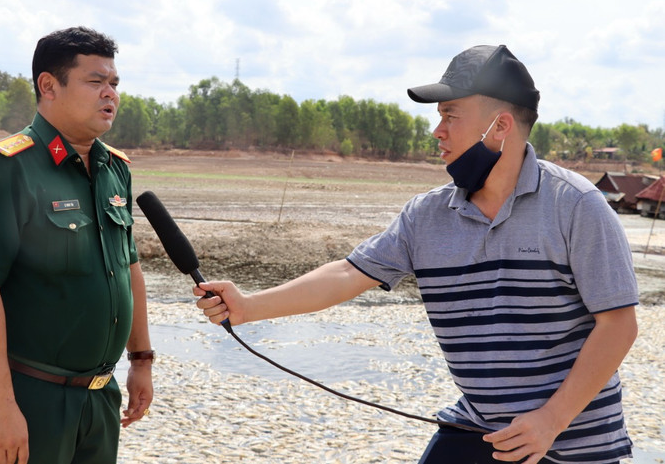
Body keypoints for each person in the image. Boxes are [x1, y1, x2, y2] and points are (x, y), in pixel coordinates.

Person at [195, 45, 638, 464]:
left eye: (450, 115)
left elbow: (618, 325)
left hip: (574, 439)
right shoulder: (427, 215)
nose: (437, 130)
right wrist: (249, 306)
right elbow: (349, 275)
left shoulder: (576, 205)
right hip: (479, 425)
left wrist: (551, 419)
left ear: (500, 126)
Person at [0, 26, 155, 464]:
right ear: (48, 86)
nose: (109, 94)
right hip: (29, 396)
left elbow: (128, 267)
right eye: (95, 82)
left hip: (99, 398)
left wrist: (141, 360)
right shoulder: (3, 169)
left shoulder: (114, 169)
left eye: (114, 83)